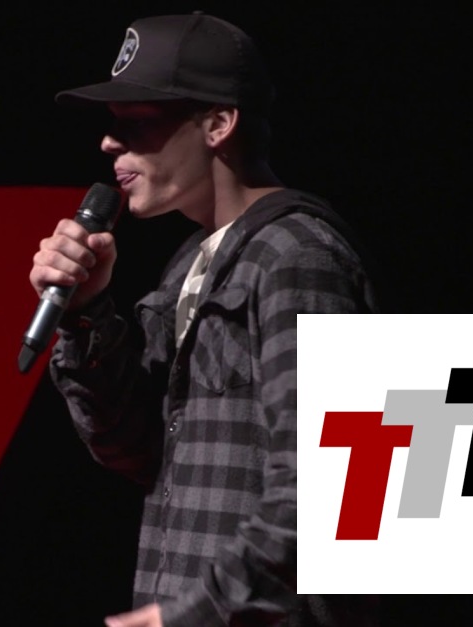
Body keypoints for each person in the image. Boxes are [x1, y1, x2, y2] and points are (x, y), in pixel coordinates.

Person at [28, 12, 379, 627]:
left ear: (219, 124)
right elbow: (133, 450)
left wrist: (194, 613)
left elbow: (331, 488)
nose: (109, 143)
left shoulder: (297, 257)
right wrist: (86, 313)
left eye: (136, 122)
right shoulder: (192, 262)